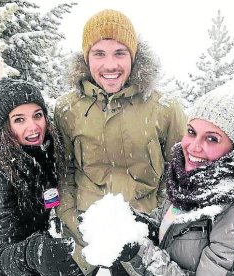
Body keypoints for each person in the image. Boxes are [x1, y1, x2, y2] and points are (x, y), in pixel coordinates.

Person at [53, 9, 186, 275]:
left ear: (134, 56)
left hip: (141, 245)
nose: (110, 65)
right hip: (85, 243)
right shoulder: (67, 109)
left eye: (120, 53)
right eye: (99, 54)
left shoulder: (164, 108)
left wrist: (150, 225)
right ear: (86, 58)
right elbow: (63, 173)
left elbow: (180, 175)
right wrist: (75, 224)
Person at [119, 71, 234, 275]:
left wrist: (140, 255)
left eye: (212, 139)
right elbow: (171, 232)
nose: (194, 147)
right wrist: (137, 226)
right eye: (191, 132)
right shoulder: (191, 184)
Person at [0, 78, 83, 276]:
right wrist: (33, 252)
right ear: (5, 127)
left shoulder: (47, 151)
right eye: (19, 119)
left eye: (37, 115)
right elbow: (3, 254)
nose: (33, 127)